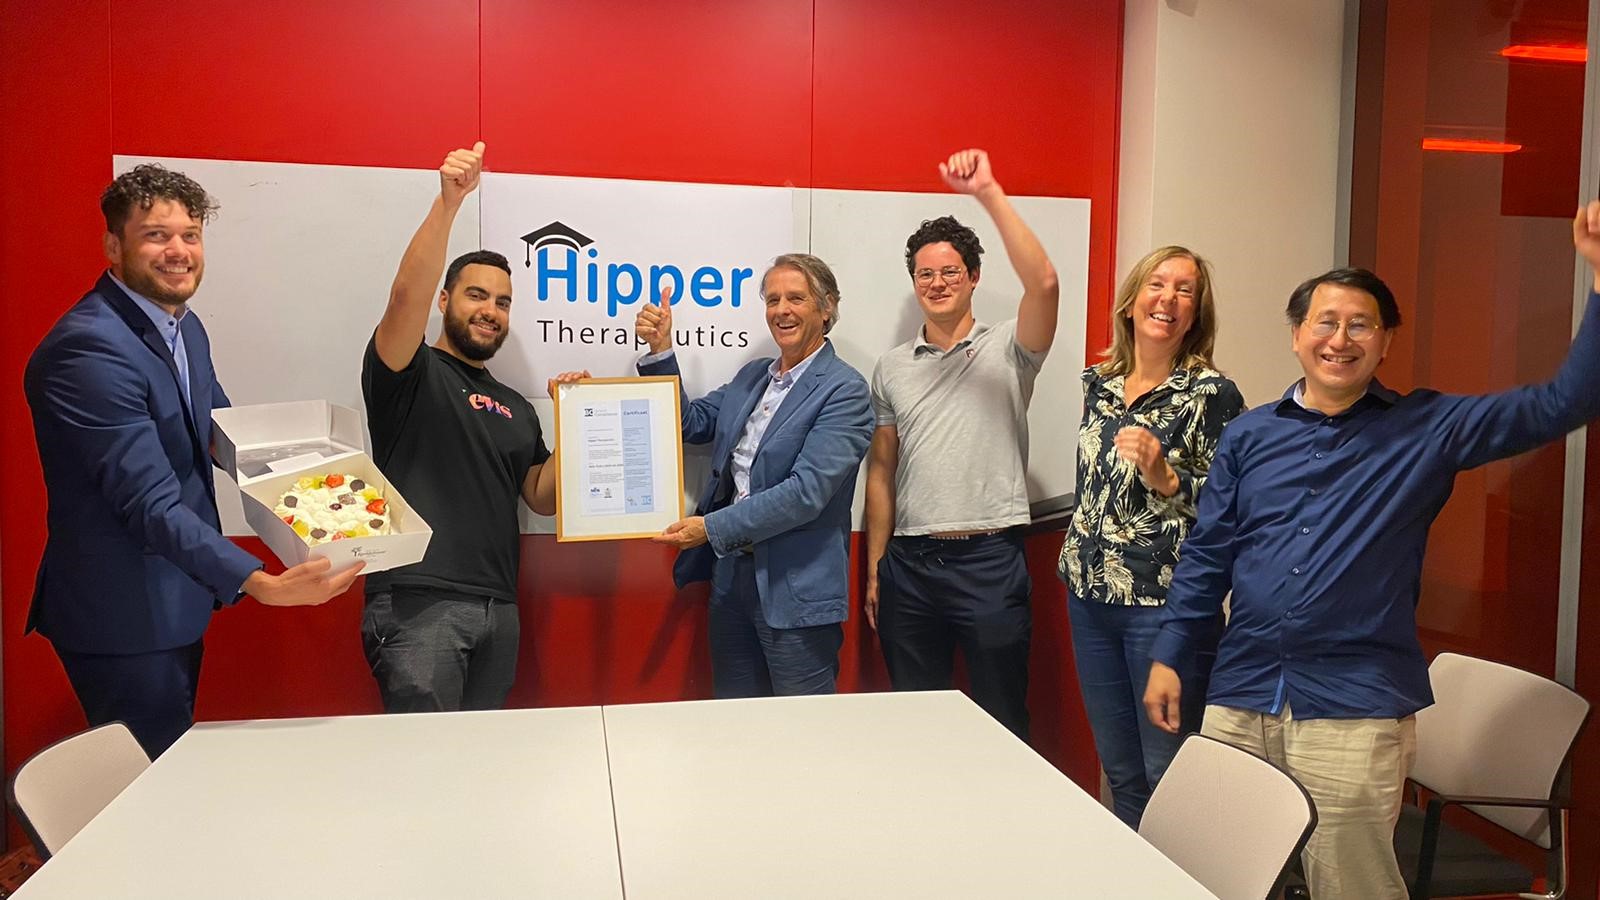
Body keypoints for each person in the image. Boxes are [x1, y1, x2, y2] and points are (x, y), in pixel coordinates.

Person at [1145, 201, 1600, 898]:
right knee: (1223, 875)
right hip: (1241, 693)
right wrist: (1172, 653)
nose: (1340, 338)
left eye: (1360, 324)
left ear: (1386, 342)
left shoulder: (1428, 428)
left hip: (1353, 708)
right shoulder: (1250, 435)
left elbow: (1563, 403)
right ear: (1297, 335)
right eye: (1325, 322)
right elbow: (1209, 553)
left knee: (1349, 885)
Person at [24, 164, 362, 757]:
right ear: (113, 245)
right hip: (122, 611)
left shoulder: (183, 325)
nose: (178, 251)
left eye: (190, 235)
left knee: (168, 761)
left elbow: (218, 431)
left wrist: (322, 499)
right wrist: (259, 582)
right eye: (156, 235)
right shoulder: (90, 348)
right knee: (147, 780)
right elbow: (149, 503)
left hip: (173, 596)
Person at [864, 149, 1060, 740]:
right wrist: (876, 569)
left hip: (989, 562)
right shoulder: (892, 367)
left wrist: (988, 193)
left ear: (974, 277)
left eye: (950, 272)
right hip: (909, 567)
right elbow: (881, 471)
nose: (938, 283)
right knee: (916, 723)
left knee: (1002, 722)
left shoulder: (1011, 348)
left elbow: (1045, 283)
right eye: (925, 274)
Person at [361, 142, 563, 712]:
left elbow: (542, 498)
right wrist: (448, 203)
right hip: (417, 602)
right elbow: (404, 296)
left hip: (498, 606)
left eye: (502, 302)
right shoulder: (409, 370)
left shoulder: (516, 406)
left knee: (478, 760)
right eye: (476, 295)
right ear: (445, 300)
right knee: (426, 759)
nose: (490, 310)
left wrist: (578, 418)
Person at [1058, 246, 1243, 828]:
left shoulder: (1213, 394)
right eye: (1157, 284)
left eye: (1185, 291)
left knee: (1169, 772)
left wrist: (1168, 477)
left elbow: (1236, 505)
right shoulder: (1100, 383)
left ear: (1196, 315)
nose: (1168, 299)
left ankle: (1189, 872)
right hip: (1089, 598)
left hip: (1164, 609)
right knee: (1121, 773)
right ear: (1132, 302)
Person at [634, 254, 873, 697]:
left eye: (796, 298)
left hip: (794, 588)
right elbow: (688, 424)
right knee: (736, 718)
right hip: (731, 579)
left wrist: (710, 528)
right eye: (772, 299)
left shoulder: (845, 390)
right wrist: (661, 351)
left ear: (827, 308)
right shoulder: (751, 378)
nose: (781, 310)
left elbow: (805, 493)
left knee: (802, 725)